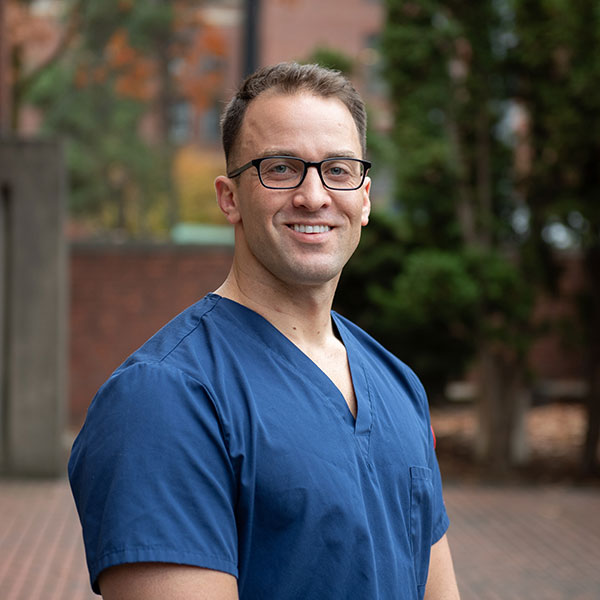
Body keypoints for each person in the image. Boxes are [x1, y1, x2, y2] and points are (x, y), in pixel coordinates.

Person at [69, 62, 460, 600]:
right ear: (229, 197)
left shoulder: (399, 386)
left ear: (364, 198)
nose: (314, 196)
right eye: (280, 168)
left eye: (338, 170)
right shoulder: (164, 398)